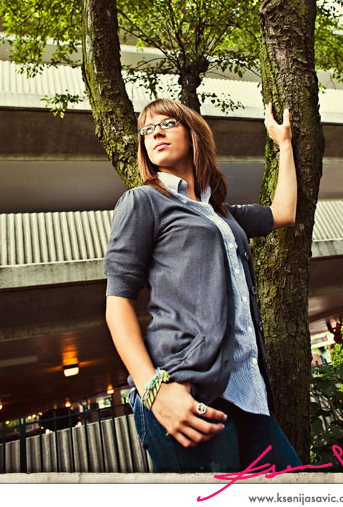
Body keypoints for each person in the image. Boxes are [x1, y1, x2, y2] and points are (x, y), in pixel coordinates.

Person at [104, 98, 301, 473]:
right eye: (147, 130)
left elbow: (284, 213)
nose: (155, 133)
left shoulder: (223, 214)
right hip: (186, 392)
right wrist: (154, 391)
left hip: (249, 396)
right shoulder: (143, 202)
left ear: (193, 134)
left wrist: (285, 145)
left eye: (167, 124)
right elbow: (118, 303)